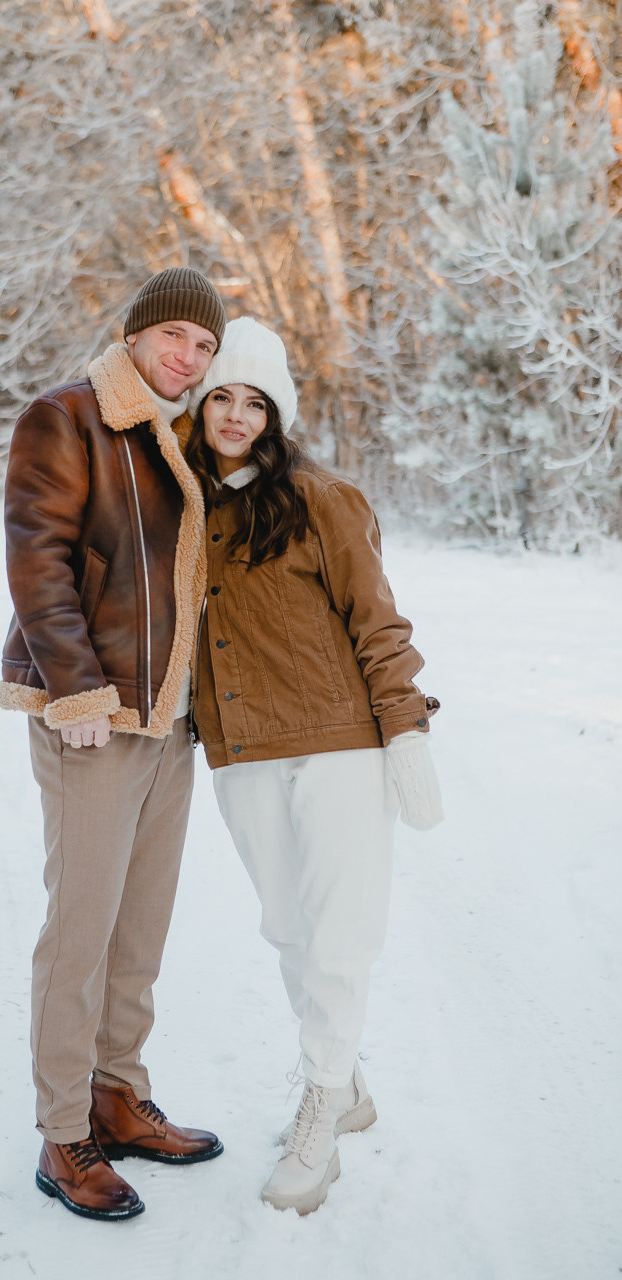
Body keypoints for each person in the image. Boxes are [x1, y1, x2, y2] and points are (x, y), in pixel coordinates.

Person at [184, 317, 443, 1216]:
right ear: (199, 402)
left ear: (276, 414)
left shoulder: (322, 499)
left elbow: (378, 621)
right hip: (241, 750)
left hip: (337, 746)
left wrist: (403, 728)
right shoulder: (181, 507)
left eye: (255, 401)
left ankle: (321, 1109)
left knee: (338, 934)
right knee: (289, 929)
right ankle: (349, 1084)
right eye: (222, 394)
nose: (236, 414)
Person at [0, 268, 227, 1222]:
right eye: (173, 335)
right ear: (134, 334)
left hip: (166, 718)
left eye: (205, 346)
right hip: (93, 714)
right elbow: (37, 555)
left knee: (139, 929)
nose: (187, 356)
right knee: (81, 930)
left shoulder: (186, 435)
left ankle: (117, 1094)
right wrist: (76, 685)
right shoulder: (69, 415)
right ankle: (63, 1130)